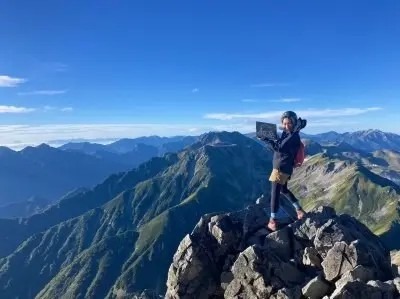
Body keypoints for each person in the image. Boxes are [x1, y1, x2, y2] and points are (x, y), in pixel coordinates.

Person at [260, 111, 307, 231]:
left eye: (289, 123)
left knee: (274, 193)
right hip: (284, 167)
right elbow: (280, 145)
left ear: (294, 123)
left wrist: (265, 139)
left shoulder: (293, 136)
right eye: (284, 124)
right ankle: (299, 210)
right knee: (284, 190)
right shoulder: (289, 133)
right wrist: (271, 137)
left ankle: (273, 221)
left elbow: (279, 148)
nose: (286, 126)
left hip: (281, 168)